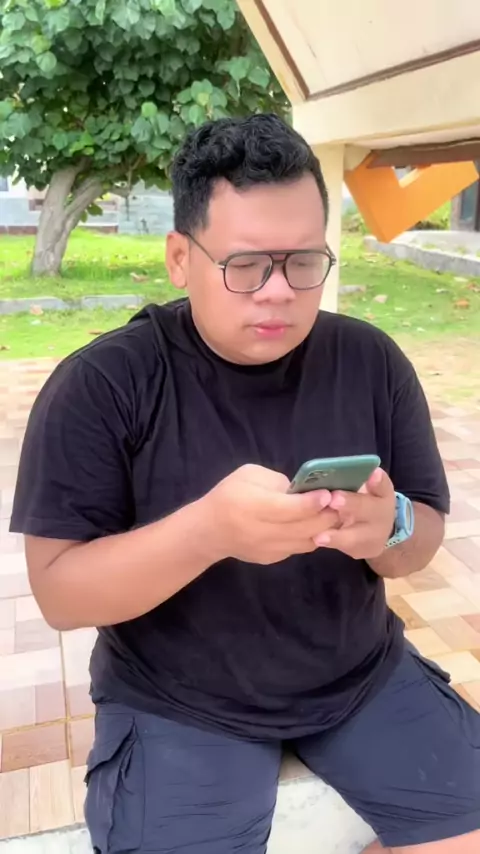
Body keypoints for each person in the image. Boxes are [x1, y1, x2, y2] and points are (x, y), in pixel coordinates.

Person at [10, 113, 480, 854]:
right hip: (178, 701)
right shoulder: (102, 386)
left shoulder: (371, 362)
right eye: (247, 265)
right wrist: (208, 533)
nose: (278, 292)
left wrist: (386, 528)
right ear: (179, 258)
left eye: (304, 262)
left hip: (360, 677)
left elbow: (420, 535)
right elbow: (60, 594)